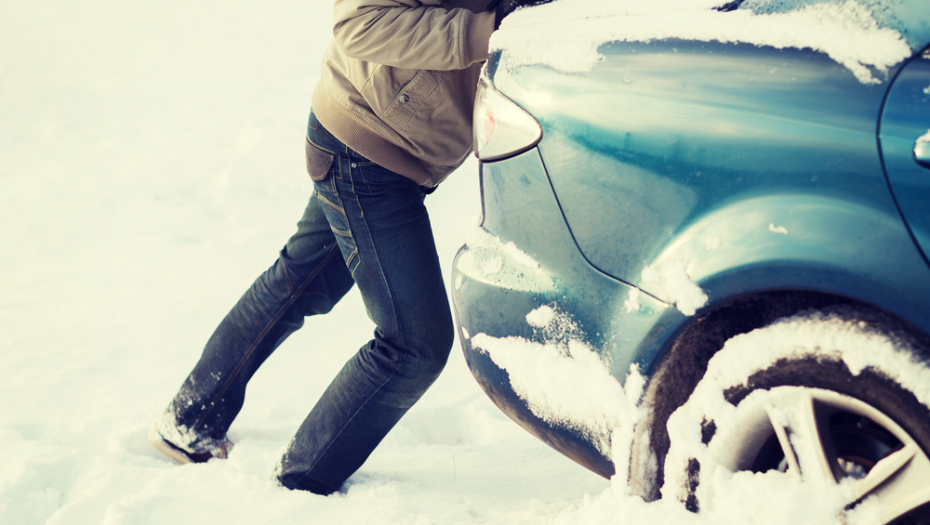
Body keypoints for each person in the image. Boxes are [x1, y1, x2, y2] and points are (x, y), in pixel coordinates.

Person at [147, 0, 539, 496]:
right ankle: (301, 483)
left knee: (300, 281)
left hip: (387, 144)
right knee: (414, 344)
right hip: (367, 149)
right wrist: (491, 32)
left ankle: (190, 419)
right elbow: (359, 22)